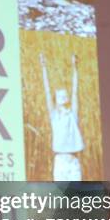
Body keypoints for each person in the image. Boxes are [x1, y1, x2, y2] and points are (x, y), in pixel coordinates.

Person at [40, 53, 85, 181]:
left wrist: (75, 68)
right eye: (60, 96)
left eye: (65, 96)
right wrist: (44, 67)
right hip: (60, 162)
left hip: (73, 161)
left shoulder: (72, 114)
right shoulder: (55, 116)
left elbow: (75, 91)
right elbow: (47, 91)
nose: (63, 98)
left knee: (77, 198)